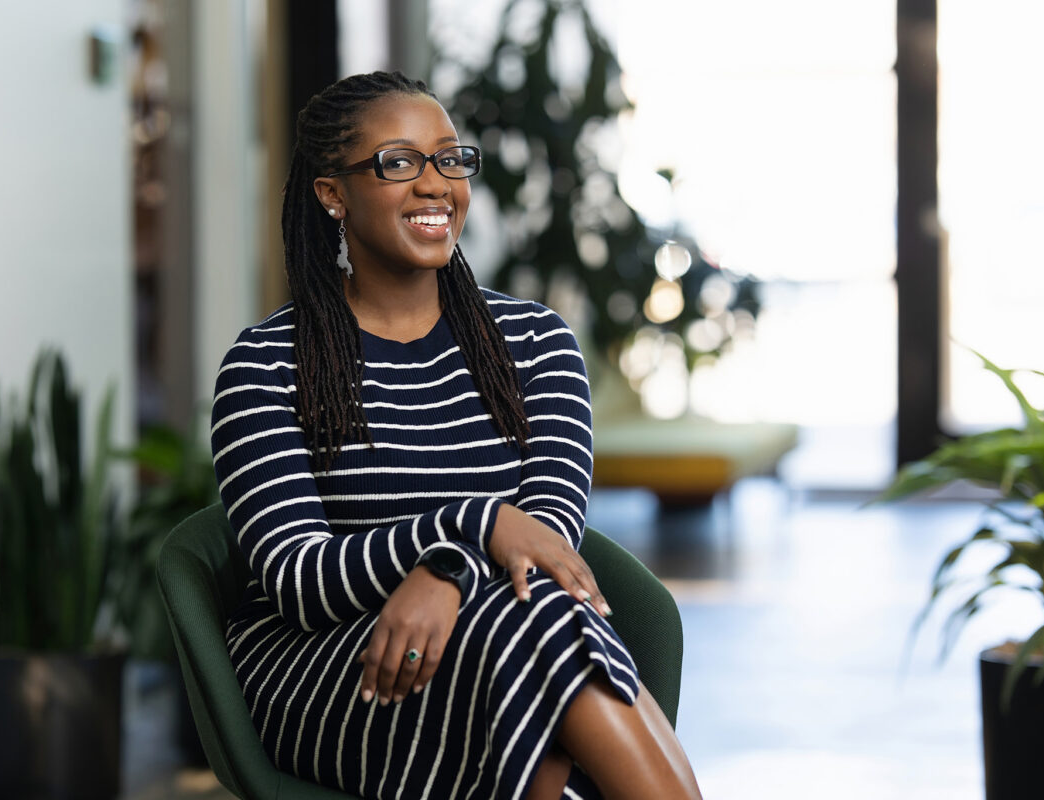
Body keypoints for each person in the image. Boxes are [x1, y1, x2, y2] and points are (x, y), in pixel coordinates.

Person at [210, 70, 702, 800]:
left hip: (495, 640)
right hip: (335, 671)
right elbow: (299, 580)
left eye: (449, 158)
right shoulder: (266, 364)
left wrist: (450, 575)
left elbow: (546, 547)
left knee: (525, 632)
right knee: (523, 633)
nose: (436, 183)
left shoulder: (536, 345)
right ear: (332, 193)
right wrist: (475, 528)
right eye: (398, 162)